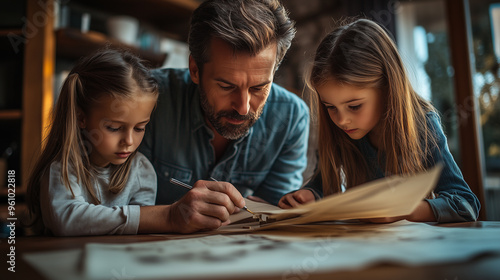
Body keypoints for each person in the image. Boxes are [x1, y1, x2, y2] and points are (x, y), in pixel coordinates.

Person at [278, 19, 480, 223]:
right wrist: (310, 195)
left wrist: (403, 211)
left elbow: (465, 204)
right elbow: (323, 185)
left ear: (387, 89)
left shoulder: (422, 125)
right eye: (330, 107)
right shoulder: (341, 130)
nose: (341, 120)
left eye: (355, 106)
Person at [140, 0, 309, 210]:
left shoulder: (292, 117)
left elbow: (274, 215)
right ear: (195, 69)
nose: (243, 108)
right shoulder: (146, 99)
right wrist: (170, 215)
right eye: (226, 86)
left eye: (258, 88)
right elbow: (117, 205)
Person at [26, 49, 161, 236]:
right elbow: (67, 220)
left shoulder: (142, 171)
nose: (129, 141)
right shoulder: (63, 169)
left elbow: (142, 230)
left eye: (139, 128)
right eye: (114, 128)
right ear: (82, 118)